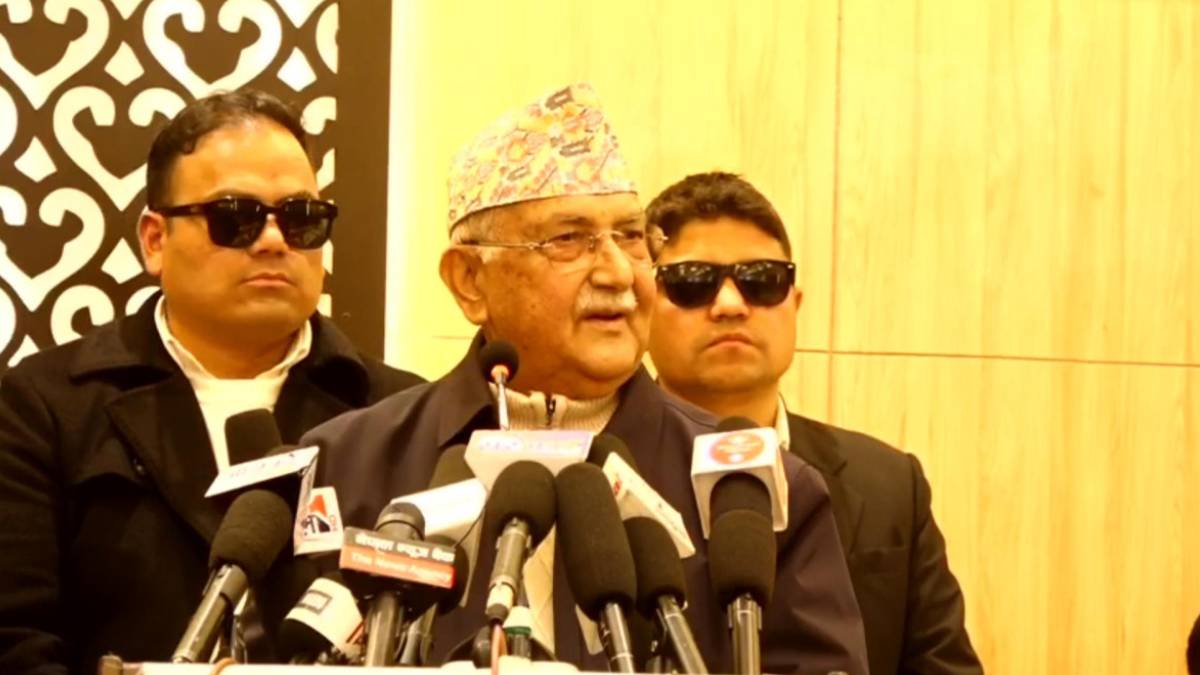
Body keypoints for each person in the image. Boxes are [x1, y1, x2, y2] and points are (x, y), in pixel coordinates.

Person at [289, 83, 869, 674]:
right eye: (569, 240)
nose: (618, 272)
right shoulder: (345, 464)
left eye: (631, 237)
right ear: (469, 280)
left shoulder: (755, 488)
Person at [0, 89, 423, 674]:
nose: (274, 240)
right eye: (237, 218)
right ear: (155, 240)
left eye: (302, 219)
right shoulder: (43, 405)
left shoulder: (400, 410)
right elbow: (14, 639)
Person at [645, 171, 983, 675]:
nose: (732, 305)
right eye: (693, 282)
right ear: (641, 306)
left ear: (794, 303)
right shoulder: (601, 478)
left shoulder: (889, 485)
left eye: (762, 280)